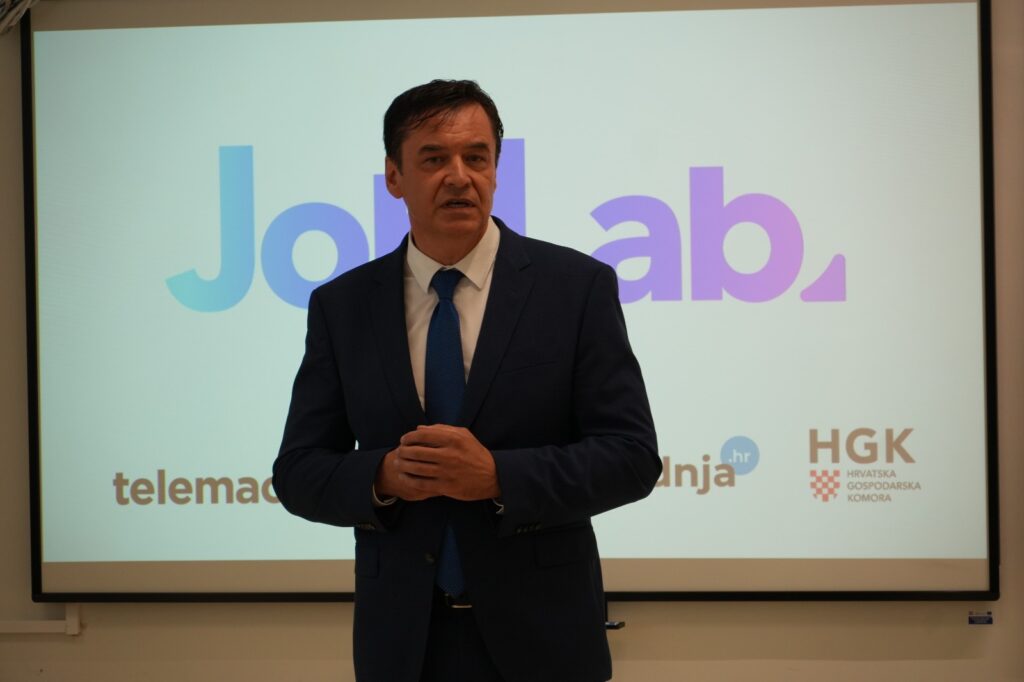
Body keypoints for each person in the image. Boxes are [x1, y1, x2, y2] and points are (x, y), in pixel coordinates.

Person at [273, 79, 660, 682]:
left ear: (496, 170)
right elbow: (298, 472)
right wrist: (382, 476)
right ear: (394, 176)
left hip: (546, 642)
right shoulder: (342, 306)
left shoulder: (575, 289)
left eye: (476, 157)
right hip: (404, 647)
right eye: (434, 159)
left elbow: (632, 458)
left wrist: (499, 477)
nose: (459, 176)